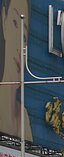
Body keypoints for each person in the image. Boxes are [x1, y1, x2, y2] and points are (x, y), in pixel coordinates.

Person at [0, 0, 30, 141]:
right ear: (3, 19)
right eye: (15, 23)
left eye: (24, 37)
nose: (19, 47)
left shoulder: (23, 117)